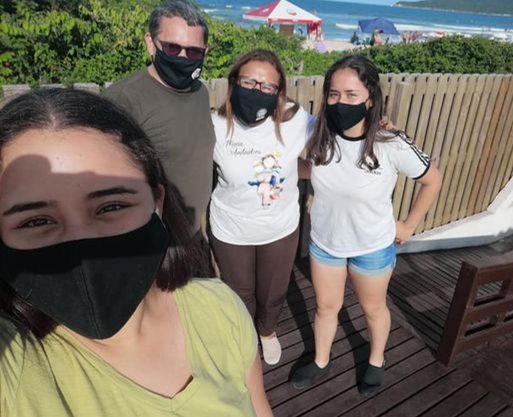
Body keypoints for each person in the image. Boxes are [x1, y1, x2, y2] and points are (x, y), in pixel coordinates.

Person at [0, 88, 273, 417]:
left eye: (111, 206)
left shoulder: (220, 310)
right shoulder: (13, 365)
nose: (81, 243)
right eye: (36, 221)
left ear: (157, 202)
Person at [291, 55, 442, 397]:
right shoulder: (317, 133)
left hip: (372, 246)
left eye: (351, 95)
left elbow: (432, 180)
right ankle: (320, 359)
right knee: (325, 307)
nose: (340, 102)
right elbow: (312, 167)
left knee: (373, 308)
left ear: (370, 99)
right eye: (333, 94)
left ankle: (376, 359)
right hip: (326, 243)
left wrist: (409, 225)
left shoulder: (391, 143)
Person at [209, 49, 313, 366]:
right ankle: (245, 333)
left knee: (273, 292)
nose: (258, 90)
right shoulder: (214, 125)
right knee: (240, 292)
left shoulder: (296, 120)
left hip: (280, 227)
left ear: (279, 92)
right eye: (249, 82)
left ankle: (267, 331)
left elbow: (337, 138)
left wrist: (380, 128)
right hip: (231, 228)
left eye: (268, 86)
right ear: (234, 82)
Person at [103, 0, 215, 275]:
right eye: (173, 48)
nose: (183, 57)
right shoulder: (124, 99)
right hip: (152, 243)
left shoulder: (200, 92)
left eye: (194, 51)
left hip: (194, 234)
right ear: (150, 44)